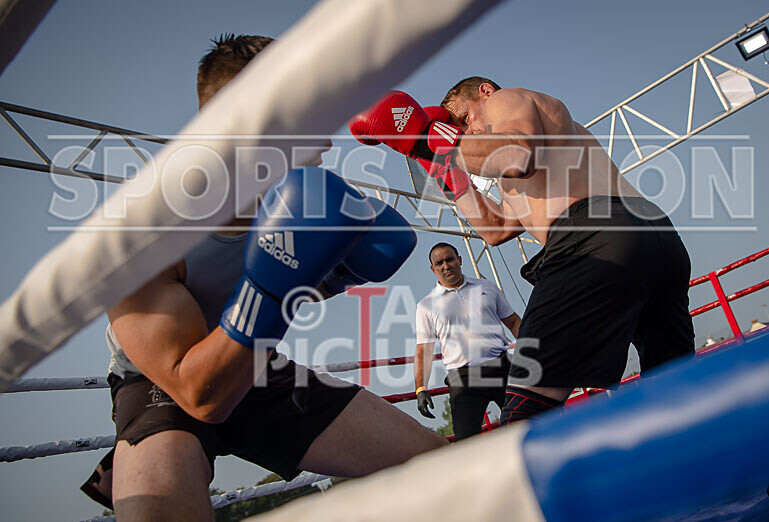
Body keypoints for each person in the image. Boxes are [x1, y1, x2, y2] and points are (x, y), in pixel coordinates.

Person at [80, 35, 445, 520]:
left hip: (257, 367)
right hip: (162, 383)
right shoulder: (142, 231)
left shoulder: (296, 201)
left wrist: (332, 278)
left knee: (445, 471)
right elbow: (198, 393)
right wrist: (273, 285)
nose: (327, 139)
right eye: (309, 117)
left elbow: (286, 282)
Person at [349, 77, 695, 425]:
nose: (465, 132)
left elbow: (518, 153)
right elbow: (495, 229)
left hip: (593, 236)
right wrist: (438, 163)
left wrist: (429, 138)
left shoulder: (504, 100)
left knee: (525, 409)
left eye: (465, 119)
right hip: (655, 238)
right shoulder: (520, 171)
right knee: (676, 390)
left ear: (484, 91)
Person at [414, 242, 520, 441]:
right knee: (466, 442)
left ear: (459, 260)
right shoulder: (426, 306)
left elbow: (514, 322)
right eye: (439, 263)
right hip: (463, 379)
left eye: (450, 259)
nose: (446, 265)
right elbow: (424, 350)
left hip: (501, 368)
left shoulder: (486, 286)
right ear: (433, 269)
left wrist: (535, 352)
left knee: (525, 425)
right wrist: (421, 388)